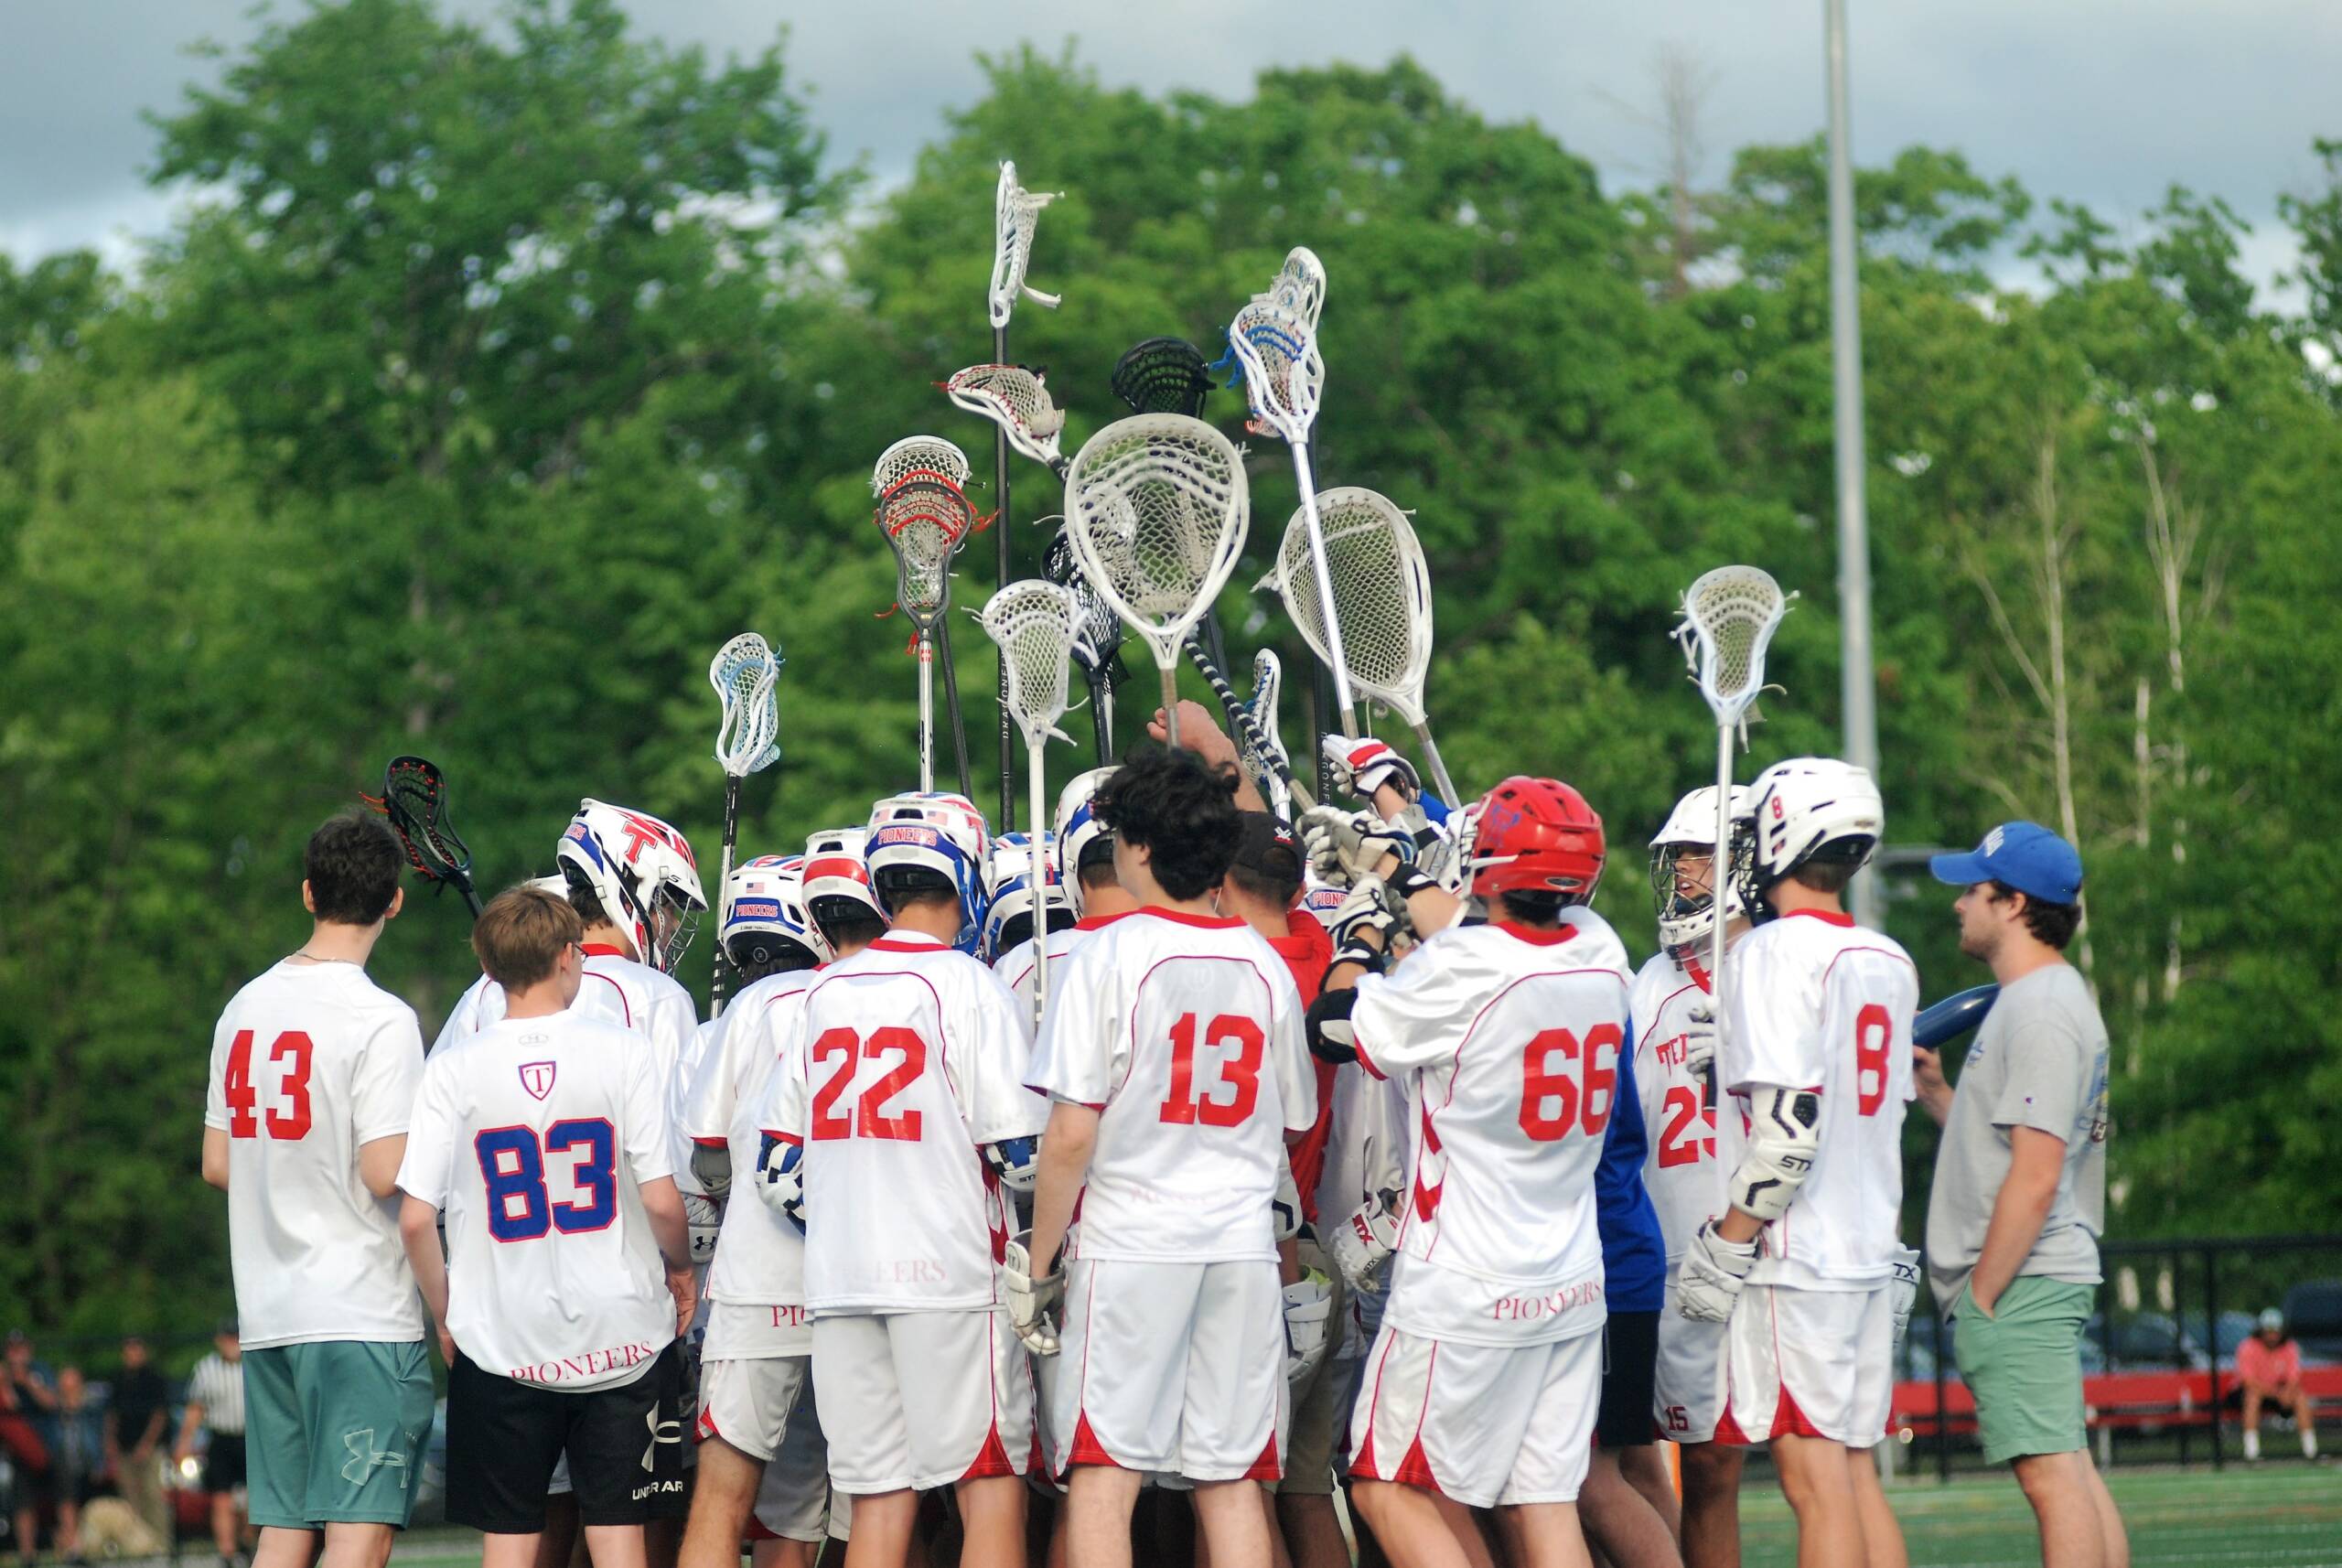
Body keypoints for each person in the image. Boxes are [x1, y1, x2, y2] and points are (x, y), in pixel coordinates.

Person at [1306, 776, 1621, 1568]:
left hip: (1466, 1282)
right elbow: (1475, 933)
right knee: (1542, 1502)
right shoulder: (1601, 948)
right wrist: (1397, 871)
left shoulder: (1462, 969)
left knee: (1384, 1486)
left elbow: (1332, 1025)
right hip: (1572, 1280)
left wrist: (1360, 932)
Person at [1015, 748, 1316, 1568]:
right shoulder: (1261, 961)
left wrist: (1038, 1265)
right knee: (1229, 1483)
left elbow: (1071, 1133)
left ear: (1141, 848)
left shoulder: (1108, 955)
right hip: (1238, 1248)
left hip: (1133, 1247)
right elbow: (1294, 1117)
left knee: (1105, 1477)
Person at [765, 793, 1047, 1568]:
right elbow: (1019, 1152)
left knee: (878, 1506)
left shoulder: (826, 989)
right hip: (947, 1278)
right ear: (964, 872)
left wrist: (853, 1218)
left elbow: (776, 1164)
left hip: (841, 1279)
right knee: (988, 1488)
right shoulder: (966, 983)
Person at [396, 886, 698, 1568]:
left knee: (510, 1547)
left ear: (488, 965)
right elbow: (660, 1201)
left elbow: (416, 1217)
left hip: (501, 1334)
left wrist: (446, 1313)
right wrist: (679, 1271)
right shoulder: (623, 1050)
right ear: (569, 956)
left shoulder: (451, 1068)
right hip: (620, 1332)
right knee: (620, 1541)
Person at [1675, 758, 1913, 1568]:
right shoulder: (1890, 956)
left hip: (1794, 1257)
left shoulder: (1772, 953)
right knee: (1851, 1471)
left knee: (1813, 1483)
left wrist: (1729, 1241)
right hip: (1867, 1251)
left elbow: (1787, 1133)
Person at [199, 811, 436, 1568]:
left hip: (270, 1314)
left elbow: (218, 1161)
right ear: (393, 902)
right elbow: (382, 1172)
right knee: (357, 1539)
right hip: (360, 1312)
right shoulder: (382, 1019)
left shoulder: (242, 1008)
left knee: (286, 1529)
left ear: (308, 893)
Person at [1917, 822, 2126, 1564]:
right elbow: (2008, 1149)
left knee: (2050, 1478)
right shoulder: (2039, 999)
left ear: (2012, 904)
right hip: (2036, 1273)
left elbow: (2036, 1178)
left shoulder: (2038, 1008)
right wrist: (1941, 1094)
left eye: (1973, 890)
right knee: (2067, 1466)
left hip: (2022, 1279)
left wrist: (1981, 1296)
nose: (1959, 905)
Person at [677, 848, 851, 1568]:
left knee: (725, 1495)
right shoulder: (867, 994)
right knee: (817, 1510)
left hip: (759, 1281)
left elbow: (706, 1151)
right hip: (858, 1280)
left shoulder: (750, 1007)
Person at [1634, 789, 1752, 1568]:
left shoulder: (1774, 969)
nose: (1683, 869)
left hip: (1761, 1250)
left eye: (1701, 853)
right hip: (1675, 1256)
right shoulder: (1647, 980)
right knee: (1702, 1466)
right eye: (1677, 855)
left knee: (1809, 1460)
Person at [173, 1322, 250, 1568]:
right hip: (221, 1438)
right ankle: (226, 1551)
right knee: (221, 1498)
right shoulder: (206, 1369)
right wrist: (184, 1443)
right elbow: (196, 1409)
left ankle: (248, 1541)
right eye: (227, 1337)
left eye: (235, 1337)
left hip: (251, 1438)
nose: (231, 1343)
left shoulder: (254, 1365)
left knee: (253, 1498)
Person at [104, 1337, 172, 1549]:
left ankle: (162, 1544)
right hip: (125, 1446)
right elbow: (112, 1414)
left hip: (150, 1449)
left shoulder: (154, 1378)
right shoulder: (118, 1379)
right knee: (130, 1499)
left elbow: (159, 1415)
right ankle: (137, 1544)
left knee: (153, 1495)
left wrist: (147, 1444)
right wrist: (110, 1440)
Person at [3, 1332, 58, 1568]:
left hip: (48, 1444)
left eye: (20, 1348)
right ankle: (28, 1556)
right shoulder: (4, 1376)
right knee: (23, 1503)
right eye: (12, 1349)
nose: (17, 1354)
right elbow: (11, 1407)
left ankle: (69, 1549)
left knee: (63, 1499)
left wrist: (27, 1382)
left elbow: (51, 1402)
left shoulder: (40, 1371)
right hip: (21, 1449)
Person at [2237, 1309, 2320, 1463]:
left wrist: (2287, 1393)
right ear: (2261, 1331)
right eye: (2268, 1331)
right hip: (2257, 1393)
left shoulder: (2289, 1347)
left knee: (2300, 1398)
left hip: (2281, 1394)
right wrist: (2276, 1393)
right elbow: (2248, 1381)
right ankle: (2252, 1453)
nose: (2272, 1336)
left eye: (2275, 1331)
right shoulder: (2248, 1347)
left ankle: (2311, 1451)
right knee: (2252, 1398)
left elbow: (2294, 1378)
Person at [48, 1367, 103, 1564]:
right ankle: (73, 1549)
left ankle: (79, 1546)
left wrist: (100, 1461)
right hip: (63, 1463)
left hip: (86, 1462)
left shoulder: (91, 1408)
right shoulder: (53, 1411)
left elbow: (100, 1436)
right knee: (67, 1504)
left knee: (85, 1507)